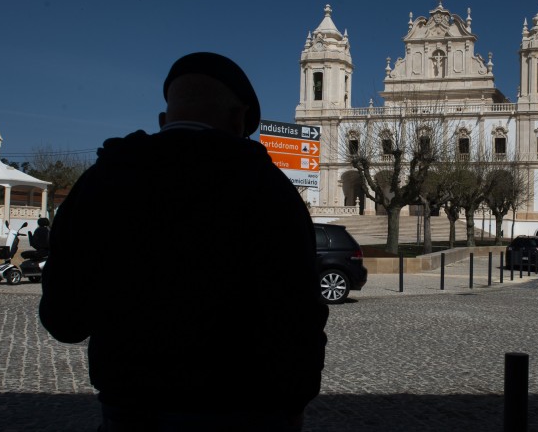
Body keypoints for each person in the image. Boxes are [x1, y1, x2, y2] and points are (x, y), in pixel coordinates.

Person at [39, 52, 328, 431]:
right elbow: (299, 314)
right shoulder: (269, 190)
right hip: (245, 408)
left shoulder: (105, 179)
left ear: (164, 120)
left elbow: (64, 318)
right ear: (239, 119)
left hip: (131, 408)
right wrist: (294, 402)